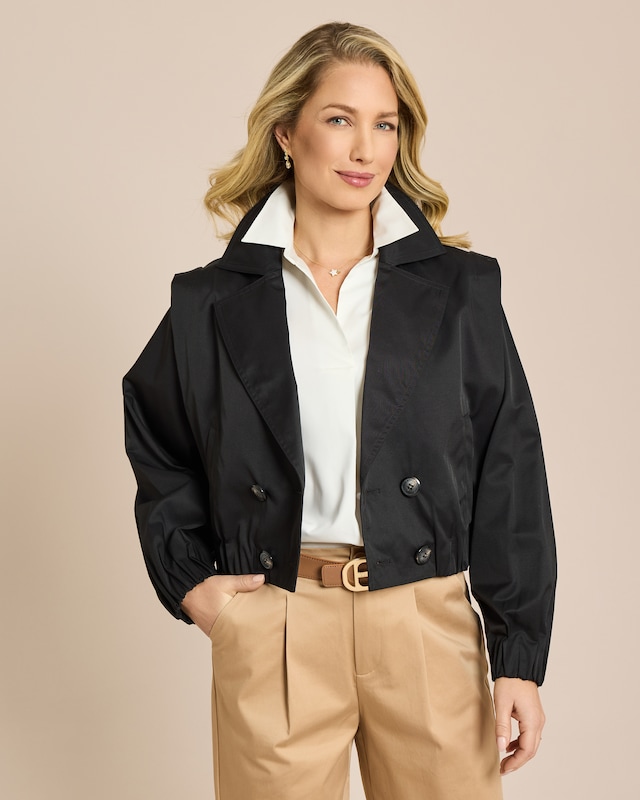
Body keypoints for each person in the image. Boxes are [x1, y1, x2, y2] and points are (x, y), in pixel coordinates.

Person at [123, 21, 556, 800]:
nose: (365, 149)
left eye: (384, 125)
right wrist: (192, 583)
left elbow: (509, 465)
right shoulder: (210, 302)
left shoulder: (460, 291)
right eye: (339, 119)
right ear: (287, 133)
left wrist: (518, 657)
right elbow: (158, 438)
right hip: (279, 618)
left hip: (425, 620)